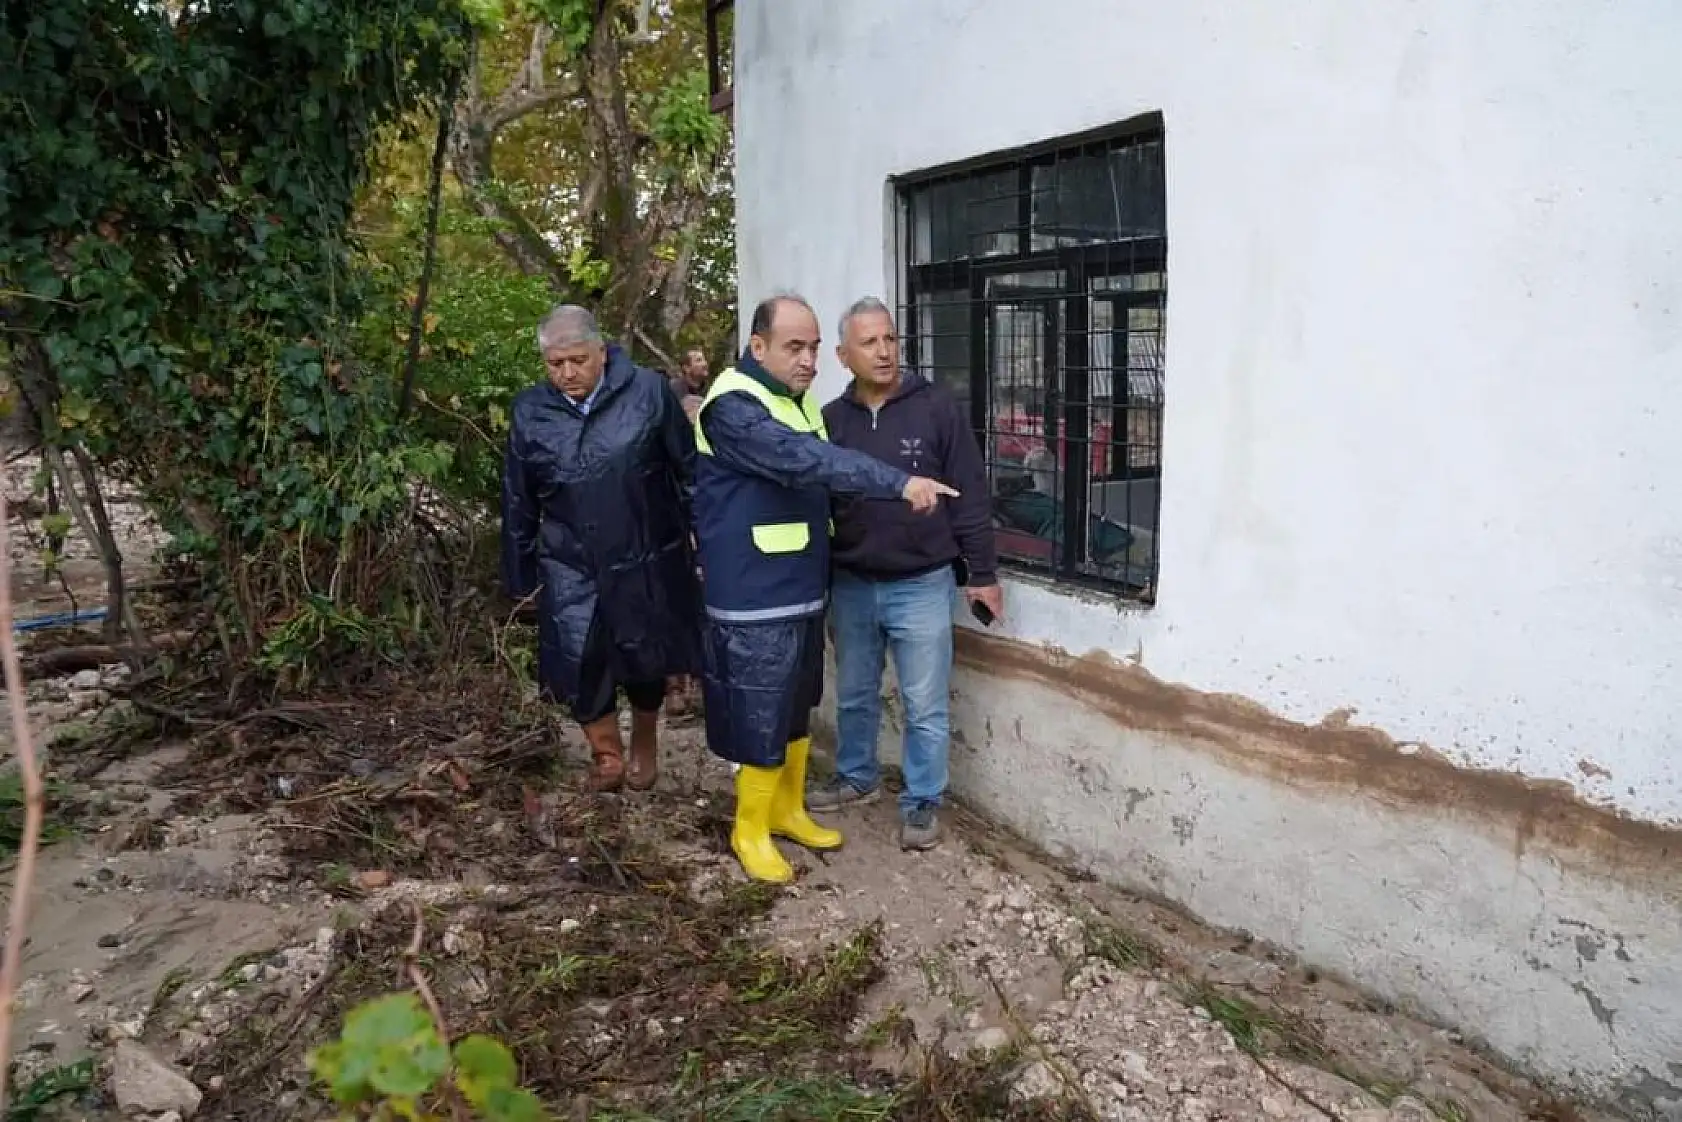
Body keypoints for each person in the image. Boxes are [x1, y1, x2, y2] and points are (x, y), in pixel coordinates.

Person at [692, 293, 957, 883]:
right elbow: (806, 461)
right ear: (757, 346)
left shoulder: (794, 401)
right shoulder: (735, 406)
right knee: (761, 712)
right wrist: (897, 482)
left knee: (794, 707)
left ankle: (786, 810)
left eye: (813, 348)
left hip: (802, 587)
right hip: (754, 593)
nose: (808, 360)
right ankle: (750, 829)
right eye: (795, 347)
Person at [809, 297, 1001, 851]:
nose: (884, 350)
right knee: (853, 694)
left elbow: (970, 492)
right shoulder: (831, 420)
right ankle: (856, 777)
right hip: (852, 584)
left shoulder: (936, 407)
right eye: (869, 343)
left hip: (922, 582)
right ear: (844, 355)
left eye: (890, 339)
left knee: (925, 704)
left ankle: (921, 803)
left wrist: (981, 572)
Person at [501, 305, 702, 793]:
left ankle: (645, 743)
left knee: (645, 653)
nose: (567, 373)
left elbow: (691, 473)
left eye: (577, 361)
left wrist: (707, 546)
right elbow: (517, 498)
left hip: (644, 551)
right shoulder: (532, 411)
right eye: (555, 364)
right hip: (569, 559)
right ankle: (606, 755)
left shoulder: (648, 394)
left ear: (601, 352)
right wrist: (519, 577)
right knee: (579, 659)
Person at [669, 347, 711, 424]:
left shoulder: (710, 391)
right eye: (698, 360)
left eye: (704, 360)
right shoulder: (673, 390)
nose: (705, 364)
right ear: (687, 368)